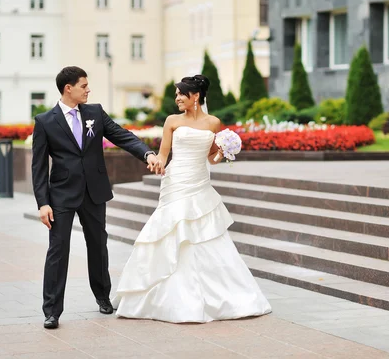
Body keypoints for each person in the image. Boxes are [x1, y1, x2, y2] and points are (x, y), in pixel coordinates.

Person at [111, 75, 272, 323]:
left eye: (180, 94)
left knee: (205, 234)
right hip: (175, 182)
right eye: (176, 94)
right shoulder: (172, 121)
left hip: (199, 183)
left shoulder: (213, 123)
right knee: (172, 231)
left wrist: (225, 152)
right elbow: (164, 155)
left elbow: (211, 159)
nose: (176, 98)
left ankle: (221, 296)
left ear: (195, 96)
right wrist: (156, 163)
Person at [31, 66, 162, 329]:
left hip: (94, 191)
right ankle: (52, 311)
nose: (88, 89)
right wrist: (43, 203)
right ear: (68, 88)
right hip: (62, 195)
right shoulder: (45, 121)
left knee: (98, 246)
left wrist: (146, 153)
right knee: (58, 250)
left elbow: (122, 136)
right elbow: (38, 166)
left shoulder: (95, 113)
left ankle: (103, 297)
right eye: (83, 85)